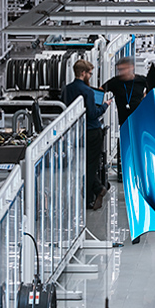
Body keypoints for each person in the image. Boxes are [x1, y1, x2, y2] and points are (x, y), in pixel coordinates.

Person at [63, 59, 109, 210]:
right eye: (89, 73)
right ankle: (93, 195)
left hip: (77, 132)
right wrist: (104, 106)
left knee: (83, 165)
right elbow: (93, 113)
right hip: (92, 131)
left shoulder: (67, 89)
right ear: (83, 73)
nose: (90, 76)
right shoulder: (88, 91)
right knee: (91, 166)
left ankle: (96, 190)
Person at [104, 57, 147, 128]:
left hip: (140, 119)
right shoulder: (115, 82)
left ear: (132, 67)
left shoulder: (141, 80)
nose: (122, 72)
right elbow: (100, 90)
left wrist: (145, 96)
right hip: (124, 122)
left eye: (124, 69)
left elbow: (153, 86)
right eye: (120, 70)